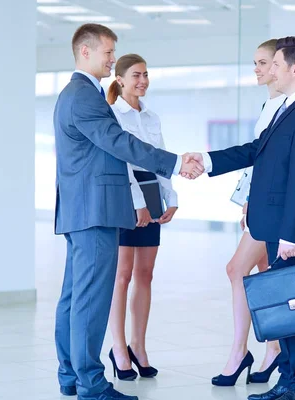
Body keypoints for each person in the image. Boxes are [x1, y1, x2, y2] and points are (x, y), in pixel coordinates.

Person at [54, 24, 202, 400]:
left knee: (74, 295)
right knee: (90, 298)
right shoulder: (84, 96)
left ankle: (70, 374)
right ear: (85, 52)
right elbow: (118, 142)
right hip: (95, 211)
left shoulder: (77, 94)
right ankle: (91, 383)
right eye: (108, 52)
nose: (112, 59)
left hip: (82, 209)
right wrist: (173, 163)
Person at [186, 36, 295, 400]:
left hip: (288, 230)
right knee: (286, 307)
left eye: (276, 65)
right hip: (274, 225)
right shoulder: (286, 108)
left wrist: (292, 235)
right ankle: (289, 381)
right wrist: (208, 160)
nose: (271, 71)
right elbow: (255, 151)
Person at [211, 39, 285, 387]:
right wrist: (247, 198)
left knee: (236, 268)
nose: (256, 69)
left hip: (274, 208)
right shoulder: (269, 104)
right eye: (254, 62)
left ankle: (240, 351)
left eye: (262, 62)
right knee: (262, 271)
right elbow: (258, 159)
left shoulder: (286, 106)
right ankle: (273, 347)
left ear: (279, 66)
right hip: (259, 204)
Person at [105, 54, 177, 381]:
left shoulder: (152, 118)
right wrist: (138, 203)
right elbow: (121, 161)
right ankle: (118, 348)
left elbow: (159, 158)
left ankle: (138, 346)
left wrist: (170, 198)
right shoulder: (111, 115)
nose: (143, 81)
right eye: (136, 75)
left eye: (146, 75)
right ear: (120, 79)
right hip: (124, 197)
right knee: (122, 275)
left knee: (145, 274)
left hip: (151, 194)